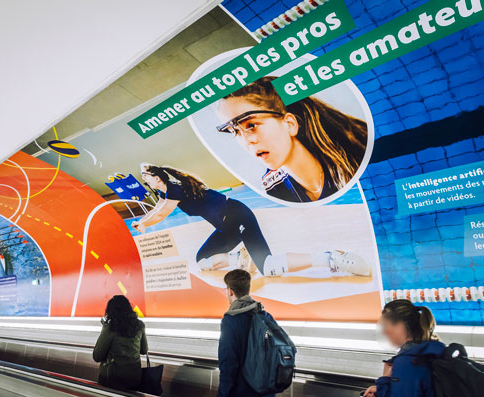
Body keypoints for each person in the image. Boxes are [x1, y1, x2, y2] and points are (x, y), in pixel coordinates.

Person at [135, 163, 371, 277]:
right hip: (227, 226)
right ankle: (240, 257)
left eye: (146, 176)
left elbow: (162, 212)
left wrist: (144, 224)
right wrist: (143, 219)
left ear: (156, 177)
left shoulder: (174, 190)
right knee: (202, 260)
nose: (145, 180)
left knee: (268, 267)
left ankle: (332, 258)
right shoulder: (169, 191)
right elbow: (158, 207)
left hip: (238, 216)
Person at [216, 76, 367, 203]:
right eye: (234, 131)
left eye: (252, 125)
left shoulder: (356, 158)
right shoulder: (274, 186)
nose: (247, 140)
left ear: (290, 124)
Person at [363, 299, 445, 397]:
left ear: (400, 326)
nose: (384, 331)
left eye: (385, 325)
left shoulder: (407, 362)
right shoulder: (430, 352)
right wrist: (382, 389)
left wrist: (384, 379)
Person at [218, 269, 275, 397]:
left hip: (243, 394)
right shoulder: (265, 316)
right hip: (267, 393)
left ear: (230, 291)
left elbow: (228, 366)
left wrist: (222, 396)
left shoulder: (230, 320)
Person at [93, 295, 148, 390]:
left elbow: (97, 356)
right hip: (133, 379)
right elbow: (144, 350)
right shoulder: (139, 325)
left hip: (112, 380)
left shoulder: (110, 327)